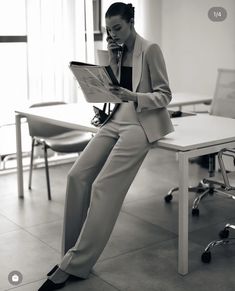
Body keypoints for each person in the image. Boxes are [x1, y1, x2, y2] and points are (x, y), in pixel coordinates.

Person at [38, 2, 174, 290]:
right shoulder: (114, 50)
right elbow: (109, 92)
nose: (113, 34)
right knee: (77, 176)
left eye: (118, 29)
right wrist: (105, 68)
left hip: (140, 123)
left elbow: (164, 95)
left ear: (131, 22)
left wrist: (133, 95)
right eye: (108, 29)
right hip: (114, 120)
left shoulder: (150, 49)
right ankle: (70, 255)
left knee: (103, 187)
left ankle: (74, 265)